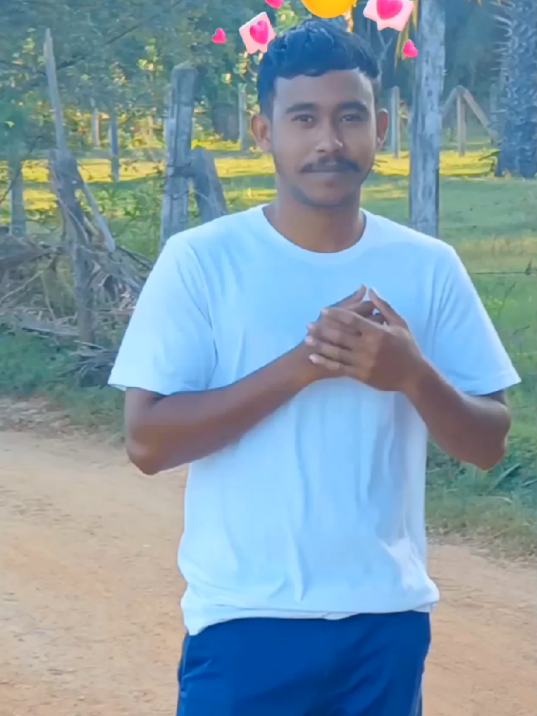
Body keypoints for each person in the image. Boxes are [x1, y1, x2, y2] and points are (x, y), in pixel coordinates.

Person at [109, 19, 520, 716]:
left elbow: (487, 444)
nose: (328, 140)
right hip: (244, 621)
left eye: (349, 117)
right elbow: (147, 443)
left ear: (380, 128)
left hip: (384, 622)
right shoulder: (202, 261)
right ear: (263, 132)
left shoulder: (427, 266)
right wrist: (305, 364)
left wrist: (411, 374)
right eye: (303, 118)